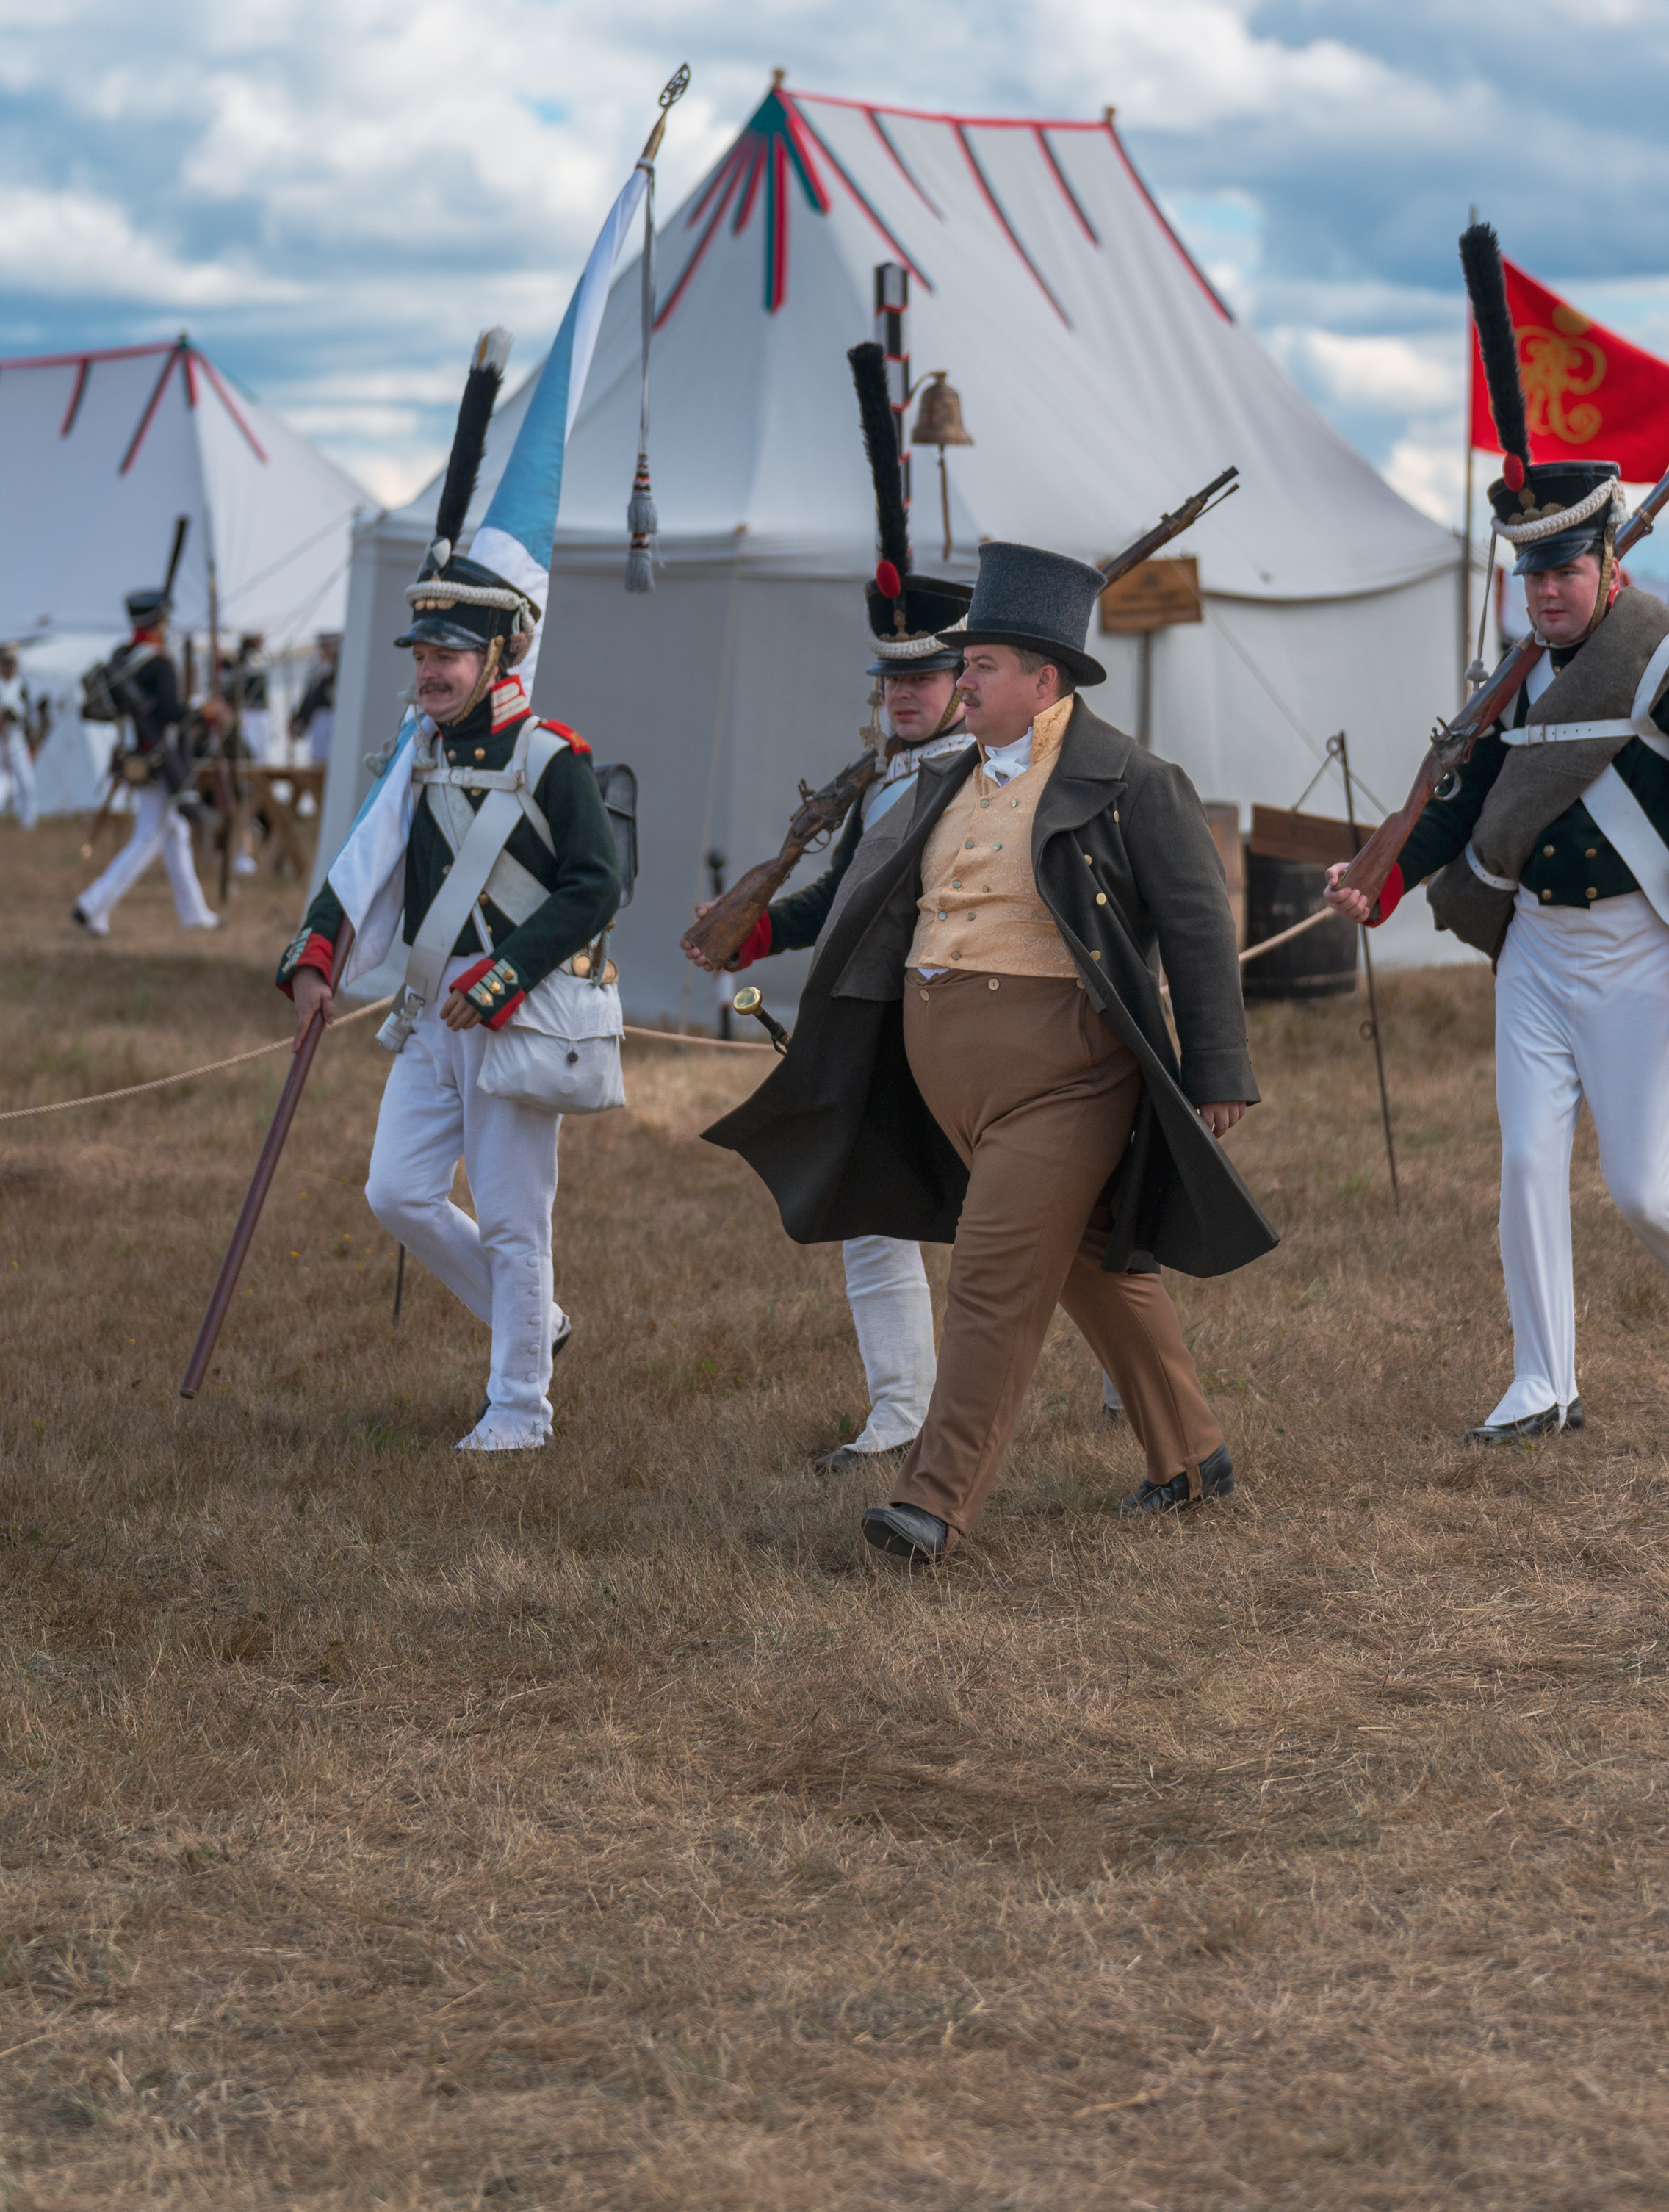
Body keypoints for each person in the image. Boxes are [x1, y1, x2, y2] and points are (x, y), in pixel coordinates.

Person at [705, 539, 1277, 1565]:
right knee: (1092, 1265)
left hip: (1068, 1074)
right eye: (962, 666)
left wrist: (1218, 1072)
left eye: (981, 666)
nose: (959, 680)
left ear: (1043, 679)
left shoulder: (1131, 780)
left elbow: (1197, 925)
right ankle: (1193, 1458)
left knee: (992, 1277)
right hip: (950, 1085)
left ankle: (933, 1502)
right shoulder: (940, 786)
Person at [1327, 454, 1669, 1442]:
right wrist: (1386, 882)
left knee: (1642, 1190)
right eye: (1532, 575)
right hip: (1535, 952)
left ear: (1609, 560)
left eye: (1564, 570)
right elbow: (1468, 809)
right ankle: (1545, 1382)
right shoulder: (1517, 677)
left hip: (1639, 952)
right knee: (1527, 1162)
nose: (1547, 591)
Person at [279, 359, 620, 1453]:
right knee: (397, 1193)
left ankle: (521, 1407)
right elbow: (365, 865)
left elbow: (597, 885)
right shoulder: (418, 757)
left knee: (521, 1222)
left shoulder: (552, 758)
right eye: (423, 652)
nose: (429, 670)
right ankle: (539, 1328)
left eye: (448, 654)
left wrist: (507, 973)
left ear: (500, 653)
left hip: (512, 1012)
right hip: (432, 1017)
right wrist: (318, 957)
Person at [690, 610, 974, 1472]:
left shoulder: (992, 777)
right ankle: (898, 1415)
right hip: (873, 1024)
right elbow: (835, 899)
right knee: (870, 1215)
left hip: (966, 1022)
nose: (901, 695)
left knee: (1038, 1214)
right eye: (890, 681)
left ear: (965, 680)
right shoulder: (887, 774)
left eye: (921, 679)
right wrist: (752, 933)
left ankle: (1127, 1370)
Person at [72, 591, 220, 938]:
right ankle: (93, 904)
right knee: (148, 837)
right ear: (158, 624)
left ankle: (195, 913)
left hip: (135, 755)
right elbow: (169, 711)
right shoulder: (160, 662)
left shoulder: (121, 656)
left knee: (175, 834)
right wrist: (202, 711)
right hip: (161, 759)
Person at [0, 645, 36, 829]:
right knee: (3, 783)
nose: (9, 666)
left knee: (26, 781)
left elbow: (26, 712)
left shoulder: (20, 684)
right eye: (6, 662)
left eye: (11, 662)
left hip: (15, 736)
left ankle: (27, 822)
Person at [292, 635, 340, 765]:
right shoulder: (316, 667)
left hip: (331, 715)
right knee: (318, 756)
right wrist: (301, 717)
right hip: (318, 716)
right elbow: (309, 695)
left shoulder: (338, 668)